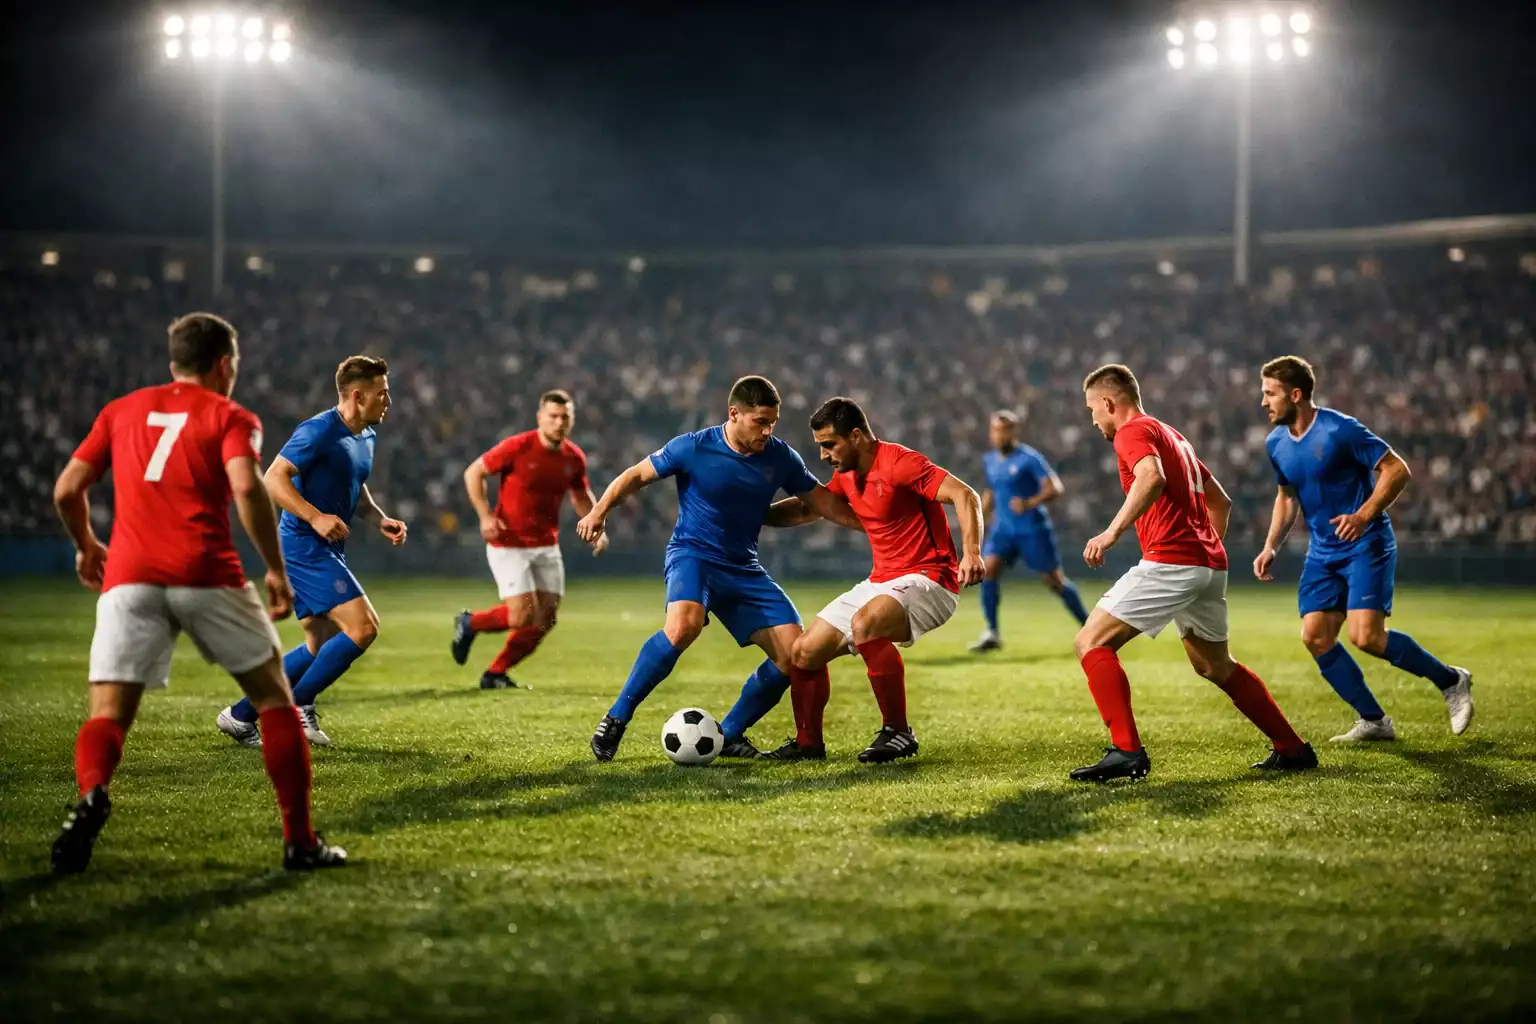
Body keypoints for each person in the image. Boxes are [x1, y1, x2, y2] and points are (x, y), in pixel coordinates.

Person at [50, 312, 345, 873]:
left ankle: (91, 795)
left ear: (175, 360)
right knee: (274, 701)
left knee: (108, 715)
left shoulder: (120, 410)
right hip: (206, 571)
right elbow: (247, 488)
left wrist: (87, 545)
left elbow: (67, 489)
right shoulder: (230, 416)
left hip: (129, 577)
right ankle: (300, 842)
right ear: (224, 364)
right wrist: (275, 568)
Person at [575, 375, 861, 761]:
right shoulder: (693, 447)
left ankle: (728, 734)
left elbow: (821, 504)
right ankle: (616, 718)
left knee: (794, 655)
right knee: (684, 626)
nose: (768, 431)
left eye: (773, 423)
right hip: (693, 556)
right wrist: (599, 512)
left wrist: (873, 524)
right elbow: (636, 476)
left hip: (744, 567)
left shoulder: (780, 457)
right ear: (734, 414)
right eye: (760, 422)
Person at [1071, 363, 1316, 782]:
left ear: (1109, 402)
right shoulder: (1173, 436)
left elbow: (1151, 477)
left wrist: (1111, 532)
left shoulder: (1132, 432)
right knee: (1216, 666)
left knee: (1090, 641)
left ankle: (1127, 751)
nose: (1093, 419)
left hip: (1172, 559)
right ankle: (1292, 748)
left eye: (1092, 408)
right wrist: (1205, 547)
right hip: (1207, 565)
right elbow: (1221, 501)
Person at [1253, 355, 1473, 741]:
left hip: (1364, 543)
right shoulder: (1276, 443)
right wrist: (1271, 545)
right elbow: (1286, 497)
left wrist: (1363, 515)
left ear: (1296, 395)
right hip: (1323, 551)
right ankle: (1374, 721)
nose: (1263, 402)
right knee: (1315, 636)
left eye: (1270, 394)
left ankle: (1451, 680)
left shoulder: (1339, 429)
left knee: (1367, 637)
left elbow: (1396, 469)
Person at [758, 397, 985, 763]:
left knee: (866, 624)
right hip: (882, 580)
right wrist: (755, 514)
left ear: (856, 436)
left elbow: (964, 494)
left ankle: (898, 732)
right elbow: (806, 509)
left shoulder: (900, 463)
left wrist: (971, 552)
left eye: (829, 444)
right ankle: (808, 744)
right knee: (803, 652)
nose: (823, 455)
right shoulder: (846, 475)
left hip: (931, 578)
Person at [217, 356, 406, 748]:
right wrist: (315, 516)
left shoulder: (367, 435)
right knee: (363, 628)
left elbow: (354, 483)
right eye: (382, 393)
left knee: (319, 646)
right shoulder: (318, 430)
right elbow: (274, 478)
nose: (388, 401)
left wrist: (378, 519)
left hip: (327, 546)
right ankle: (298, 705)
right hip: (303, 545)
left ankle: (240, 715)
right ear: (358, 395)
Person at [452, 389, 605, 689]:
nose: (559, 422)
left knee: (546, 618)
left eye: (565, 417)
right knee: (522, 615)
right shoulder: (518, 446)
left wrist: (597, 527)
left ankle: (495, 673)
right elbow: (474, 473)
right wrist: (485, 516)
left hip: (546, 544)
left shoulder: (574, 457)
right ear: (540, 418)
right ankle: (470, 623)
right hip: (509, 542)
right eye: (553, 416)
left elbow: (580, 495)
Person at [971, 410, 1088, 653]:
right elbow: (991, 492)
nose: (999, 435)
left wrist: (1029, 503)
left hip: (1032, 529)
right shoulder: (990, 460)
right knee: (988, 570)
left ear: (1014, 432)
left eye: (1004, 430)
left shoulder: (1029, 458)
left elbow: (1055, 488)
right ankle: (992, 632)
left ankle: (1090, 628)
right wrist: (979, 515)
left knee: (1054, 581)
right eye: (995, 430)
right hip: (1003, 530)